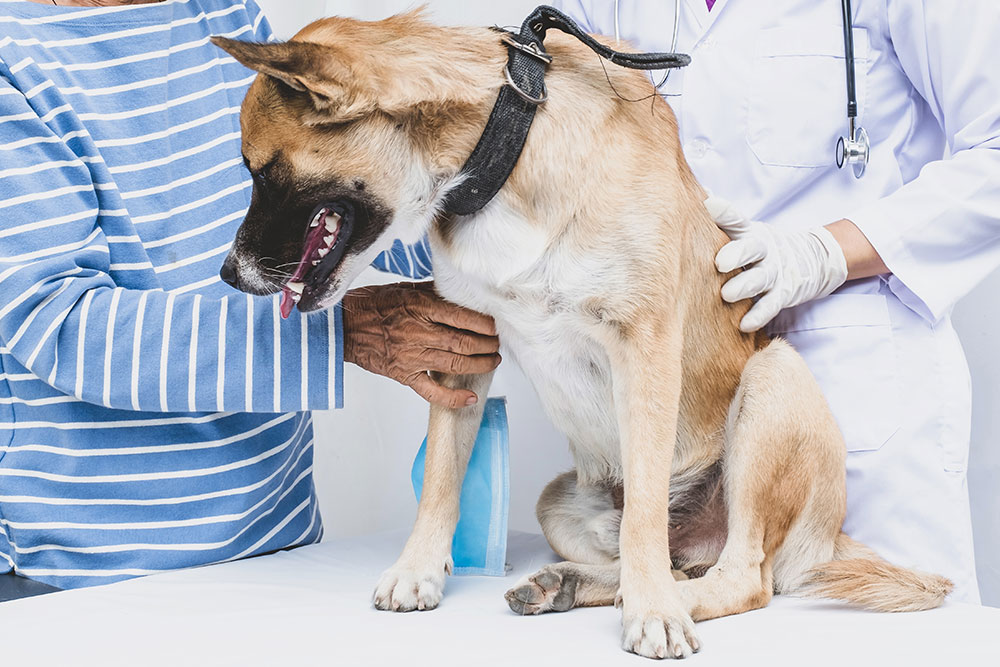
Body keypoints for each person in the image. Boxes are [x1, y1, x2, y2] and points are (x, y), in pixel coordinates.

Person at [0, 0, 500, 589]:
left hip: (282, 550)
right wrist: (342, 333)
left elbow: (331, 203)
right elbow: (58, 325)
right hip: (89, 577)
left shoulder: (224, 13)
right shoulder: (14, 57)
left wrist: (486, 190)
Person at [554, 0, 1000, 603]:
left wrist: (823, 253)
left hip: (858, 376)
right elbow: (545, 135)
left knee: (882, 634)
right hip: (684, 407)